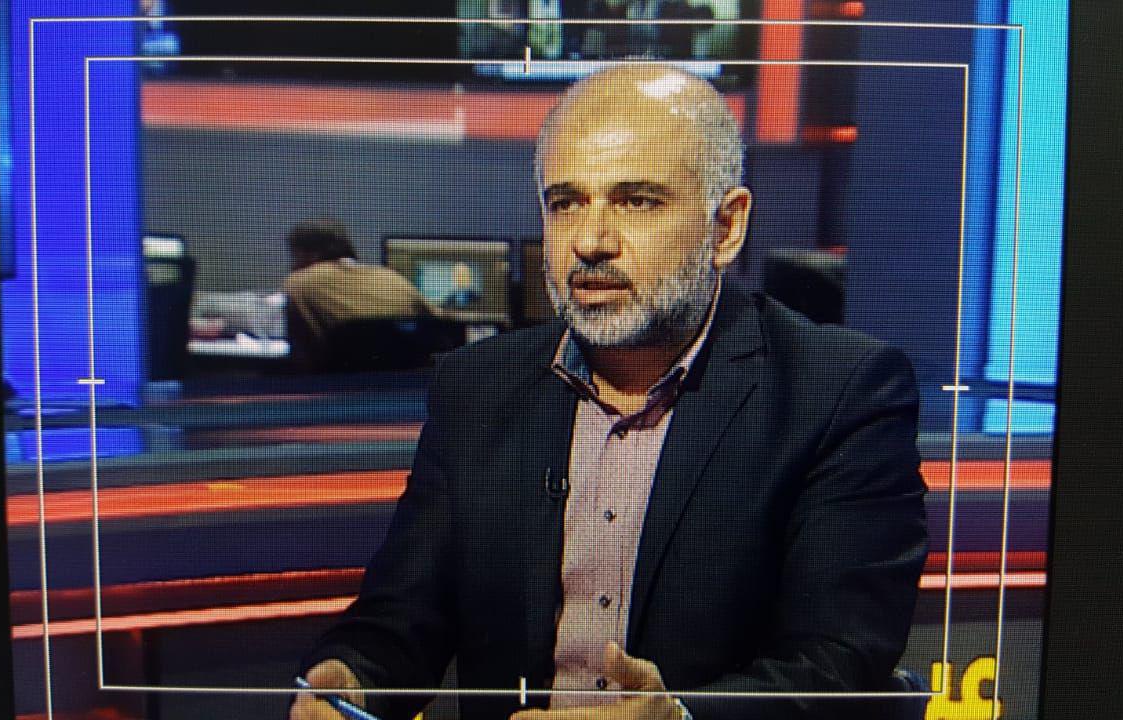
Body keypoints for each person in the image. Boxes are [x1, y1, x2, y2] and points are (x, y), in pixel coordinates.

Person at [291, 65, 927, 720]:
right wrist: (349, 680)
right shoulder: (477, 388)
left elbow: (839, 663)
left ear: (726, 227)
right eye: (565, 202)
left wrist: (680, 717)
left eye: (637, 201)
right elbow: (400, 620)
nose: (590, 242)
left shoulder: (838, 393)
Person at [281, 220, 438, 370]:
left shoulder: (298, 282)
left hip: (335, 380)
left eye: (295, 256)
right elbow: (441, 325)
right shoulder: (392, 277)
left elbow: (303, 349)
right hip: (406, 380)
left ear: (309, 254)